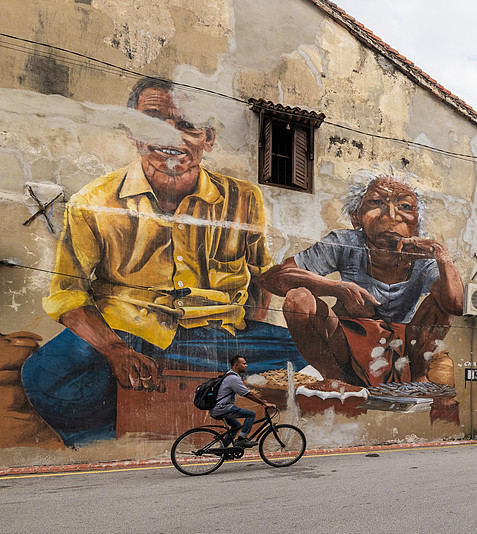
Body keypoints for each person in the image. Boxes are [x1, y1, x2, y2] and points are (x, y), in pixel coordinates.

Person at [22, 77, 306, 446]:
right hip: (125, 329)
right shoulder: (93, 200)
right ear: (132, 131)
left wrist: (241, 340)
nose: (171, 137)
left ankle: (204, 416)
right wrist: (113, 349)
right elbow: (68, 294)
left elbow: (259, 277)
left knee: (303, 354)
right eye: (153, 121)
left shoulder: (244, 198)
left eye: (188, 125)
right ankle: (110, 441)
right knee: (43, 376)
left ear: (209, 137)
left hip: (217, 334)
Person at [260, 174, 464, 387]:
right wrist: (337, 288)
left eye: (404, 206)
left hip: (404, 352)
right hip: (346, 343)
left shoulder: (423, 257)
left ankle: (417, 378)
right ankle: (335, 379)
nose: (391, 216)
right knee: (298, 299)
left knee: (441, 302)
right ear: (356, 216)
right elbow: (271, 279)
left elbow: (457, 305)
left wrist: (443, 257)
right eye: (377, 203)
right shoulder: (344, 243)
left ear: (416, 223)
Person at [211, 356, 275, 447]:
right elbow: (247, 394)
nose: (246, 365)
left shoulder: (229, 374)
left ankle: (222, 449)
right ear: (236, 365)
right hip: (223, 408)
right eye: (244, 363)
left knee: (236, 425)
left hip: (218, 408)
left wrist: (261, 401)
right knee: (250, 414)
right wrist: (263, 403)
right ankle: (242, 439)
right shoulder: (233, 379)